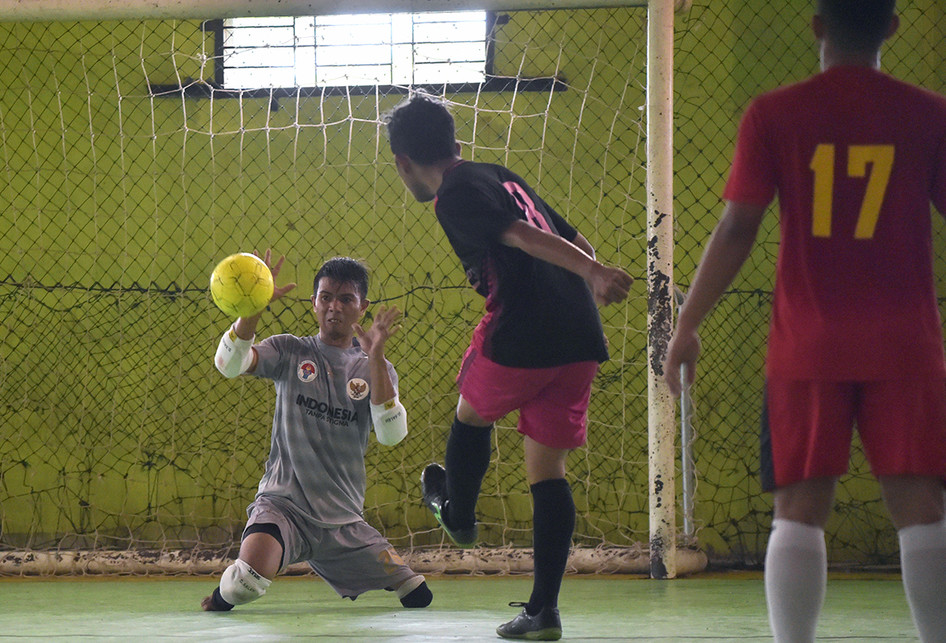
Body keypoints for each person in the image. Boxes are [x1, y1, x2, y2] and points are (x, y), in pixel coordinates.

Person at [663, 1, 946, 641]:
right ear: (893, 28)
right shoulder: (929, 113)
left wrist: (687, 323)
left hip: (808, 344)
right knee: (921, 508)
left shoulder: (774, 113)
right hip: (905, 343)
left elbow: (737, 227)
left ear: (816, 25)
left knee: (798, 509)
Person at [383, 95, 633, 641]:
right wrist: (589, 277)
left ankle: (459, 514)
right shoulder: (500, 175)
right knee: (548, 469)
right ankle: (543, 611)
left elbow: (522, 236)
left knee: (469, 414)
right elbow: (571, 236)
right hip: (580, 337)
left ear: (404, 162)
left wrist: (592, 273)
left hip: (523, 328)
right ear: (456, 142)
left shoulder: (452, 196)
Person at [201, 251, 432, 612]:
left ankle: (350, 562)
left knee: (418, 594)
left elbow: (391, 436)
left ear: (362, 306)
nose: (334, 307)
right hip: (284, 508)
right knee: (245, 584)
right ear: (313, 303)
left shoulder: (376, 367)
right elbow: (229, 365)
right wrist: (254, 308)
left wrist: (374, 361)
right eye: (325, 297)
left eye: (345, 299)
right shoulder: (290, 350)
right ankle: (219, 596)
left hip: (343, 522)